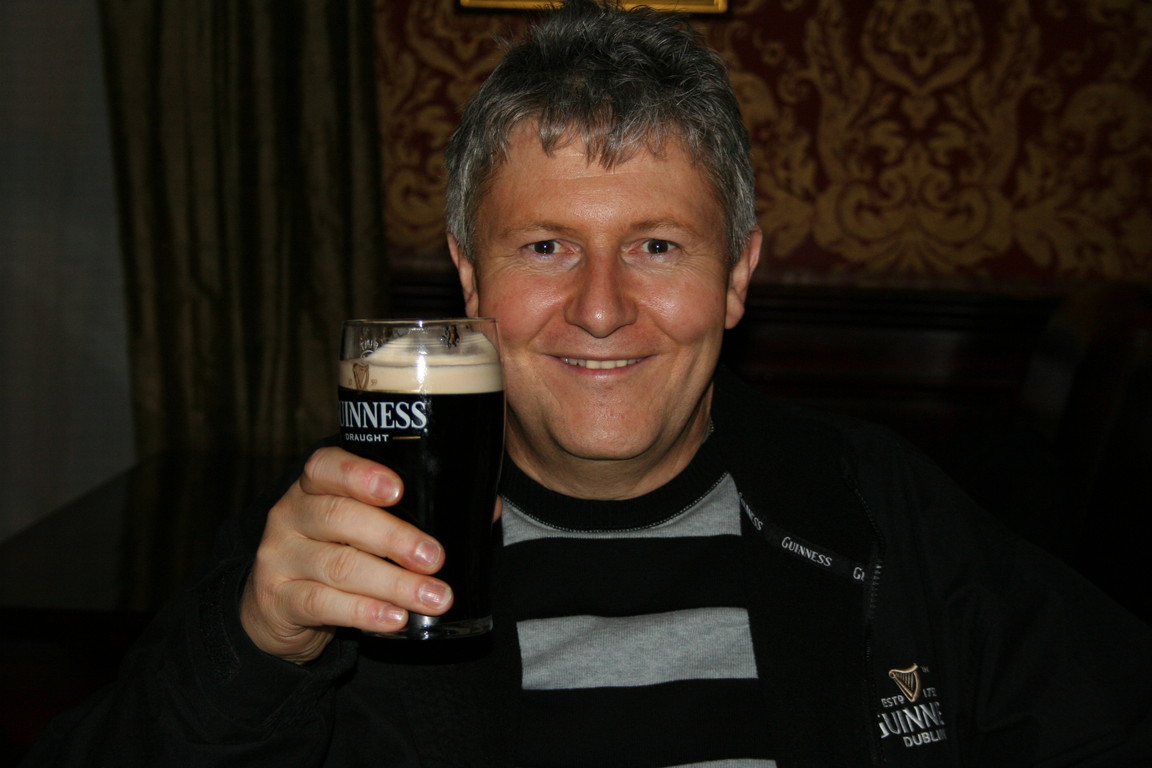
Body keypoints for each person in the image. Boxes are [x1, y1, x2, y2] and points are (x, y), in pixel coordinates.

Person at [22, 1, 1152, 765]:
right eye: (545, 246)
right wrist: (252, 648)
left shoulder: (878, 510)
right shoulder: (340, 549)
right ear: (470, 279)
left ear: (737, 277)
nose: (601, 307)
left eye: (656, 245)